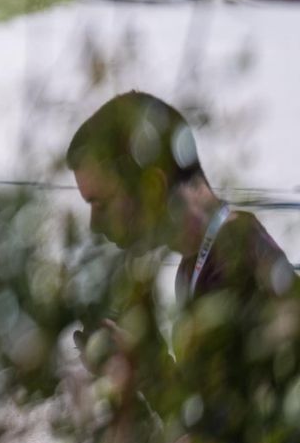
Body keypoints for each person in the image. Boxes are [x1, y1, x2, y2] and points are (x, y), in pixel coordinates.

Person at [68, 91, 291, 311]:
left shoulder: (237, 263)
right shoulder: (194, 265)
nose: (94, 225)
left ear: (153, 187)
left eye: (101, 204)